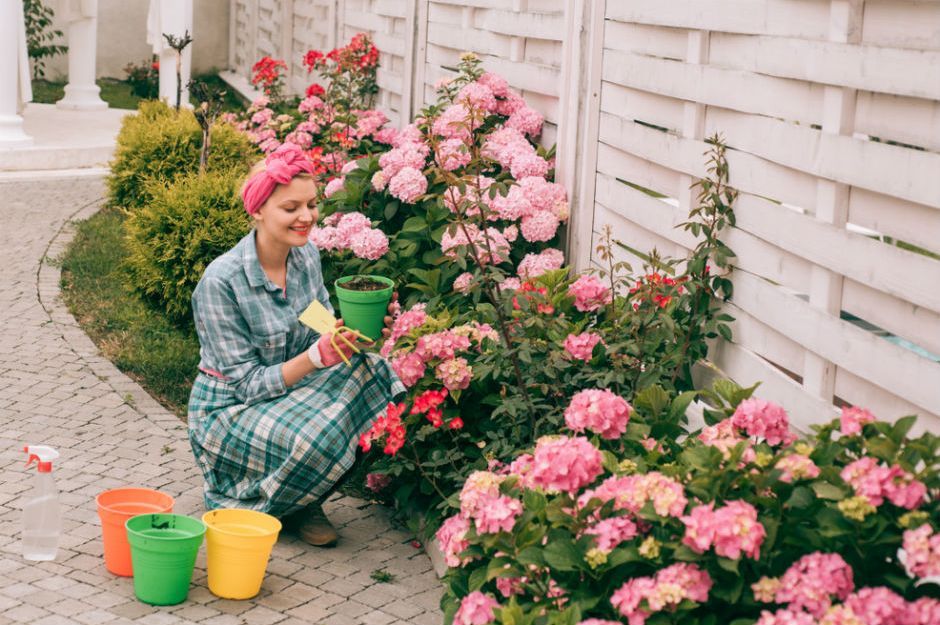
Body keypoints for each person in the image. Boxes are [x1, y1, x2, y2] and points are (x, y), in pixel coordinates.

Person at [187, 143, 404, 546]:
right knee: (314, 436)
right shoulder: (220, 283)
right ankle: (274, 500)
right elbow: (247, 385)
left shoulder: (305, 258)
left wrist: (361, 334)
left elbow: (319, 322)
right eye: (291, 208)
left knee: (375, 372)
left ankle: (303, 495)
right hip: (229, 410)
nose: (306, 217)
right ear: (258, 212)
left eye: (311, 205)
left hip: (288, 386)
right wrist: (316, 357)